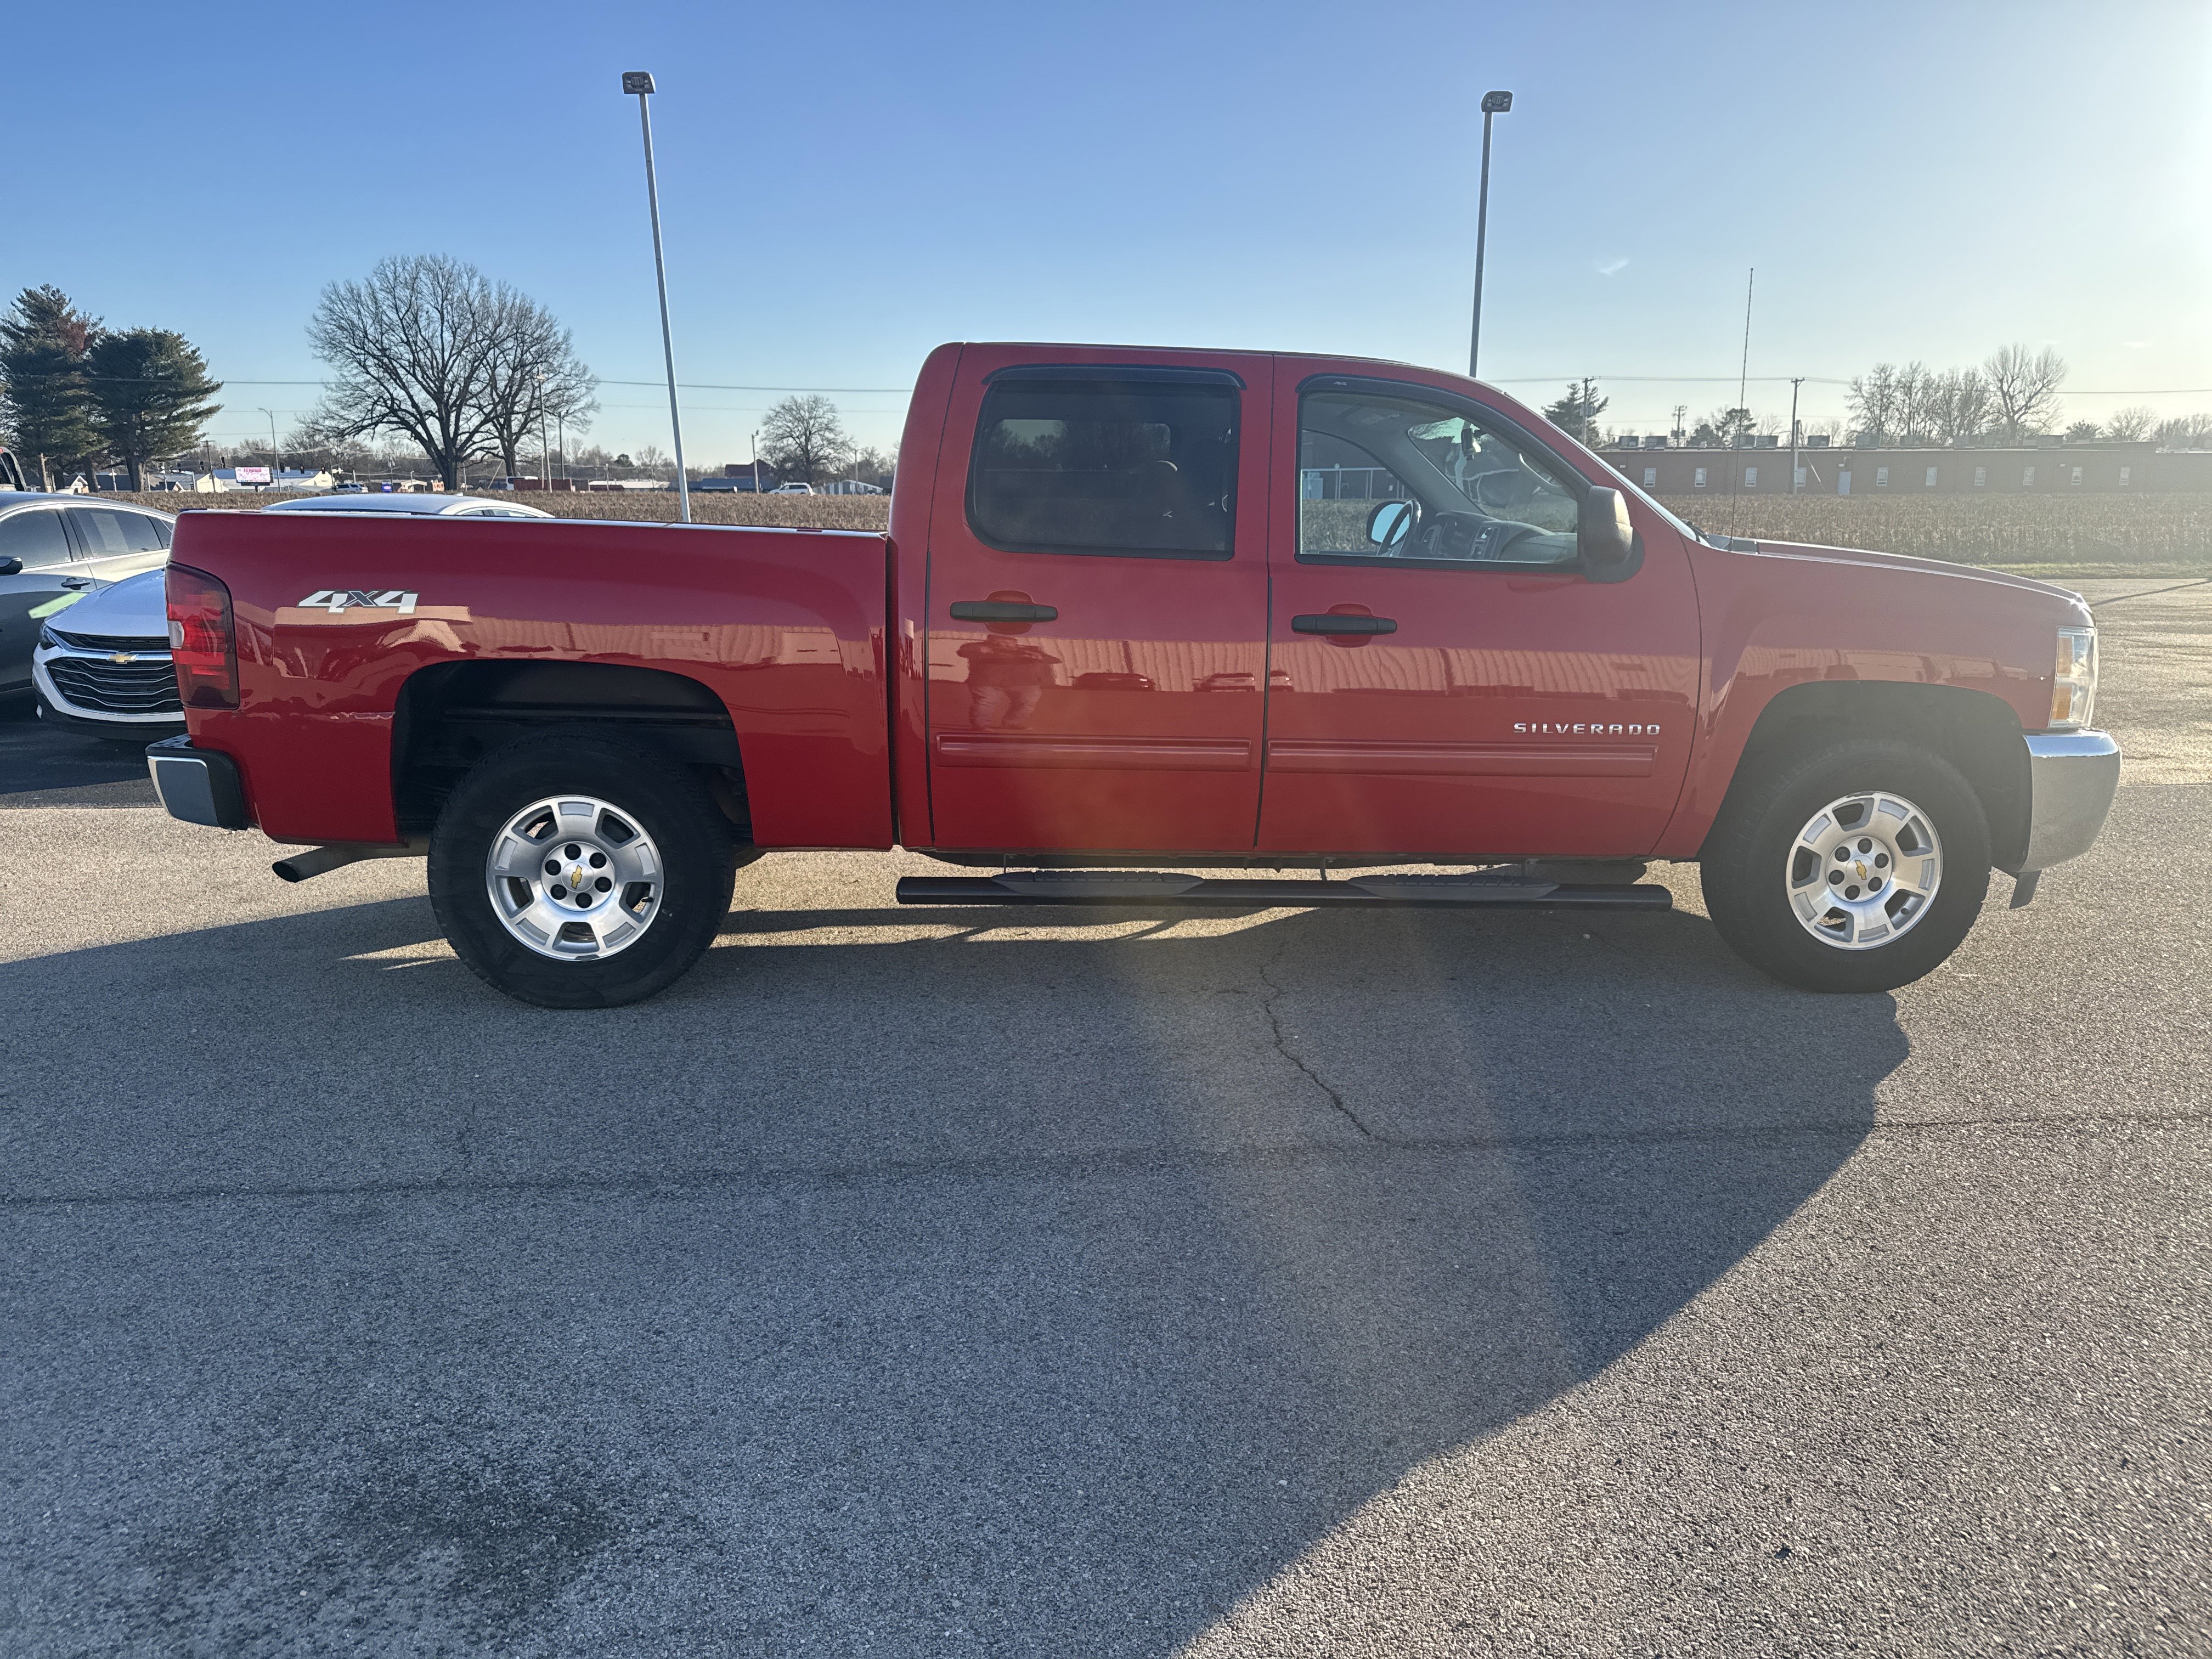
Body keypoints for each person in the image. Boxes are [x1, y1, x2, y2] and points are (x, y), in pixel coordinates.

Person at [959, 631, 1061, 731]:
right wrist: (980, 650)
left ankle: (1012, 723)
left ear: (1015, 642)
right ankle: (981, 726)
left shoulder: (1028, 650)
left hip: (1022, 683)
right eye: (999, 640)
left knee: (1030, 699)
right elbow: (962, 652)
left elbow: (1055, 660)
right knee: (986, 701)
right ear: (991, 639)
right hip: (987, 683)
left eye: (1009, 641)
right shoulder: (977, 647)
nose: (1004, 643)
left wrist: (1040, 657)